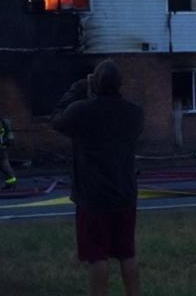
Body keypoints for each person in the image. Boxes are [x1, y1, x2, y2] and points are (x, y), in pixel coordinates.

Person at [52, 61, 144, 296]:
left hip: (93, 198)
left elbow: (56, 117)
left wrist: (80, 87)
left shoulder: (82, 111)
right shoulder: (135, 113)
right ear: (120, 83)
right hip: (125, 194)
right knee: (127, 252)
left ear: (97, 82)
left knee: (97, 256)